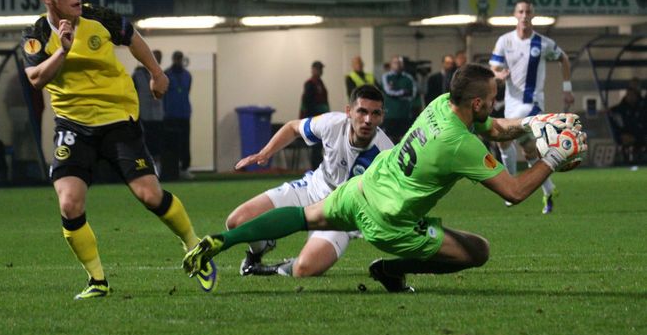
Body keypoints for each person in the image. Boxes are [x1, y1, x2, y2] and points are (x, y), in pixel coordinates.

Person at [182, 64, 586, 292]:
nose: (495, 104)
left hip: (361, 188)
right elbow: (514, 192)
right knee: (478, 251)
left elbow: (494, 126)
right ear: (477, 102)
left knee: (305, 217)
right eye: (493, 98)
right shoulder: (460, 144)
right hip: (390, 221)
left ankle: (221, 242)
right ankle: (391, 270)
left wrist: (531, 123)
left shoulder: (443, 104)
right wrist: (551, 158)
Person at [20, 0, 216, 299]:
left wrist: (155, 72)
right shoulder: (36, 36)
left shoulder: (99, 17)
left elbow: (132, 37)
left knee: (150, 195)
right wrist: (64, 50)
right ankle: (97, 281)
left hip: (117, 118)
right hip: (73, 125)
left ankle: (194, 246)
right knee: (69, 204)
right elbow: (36, 80)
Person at [227, 85, 393, 277]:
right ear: (349, 111)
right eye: (362, 112)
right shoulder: (331, 123)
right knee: (236, 222)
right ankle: (259, 250)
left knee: (304, 269)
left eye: (375, 114)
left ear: (382, 116)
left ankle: (278, 268)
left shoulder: (386, 154)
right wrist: (265, 153)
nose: (368, 120)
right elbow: (293, 127)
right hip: (312, 189)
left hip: (341, 212)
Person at [489, 0, 574, 214]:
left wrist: (567, 88)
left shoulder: (542, 43)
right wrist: (499, 74)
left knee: (502, 137)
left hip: (532, 105)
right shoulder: (505, 41)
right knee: (527, 151)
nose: (524, 15)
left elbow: (563, 58)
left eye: (528, 11)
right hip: (511, 104)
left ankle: (507, 190)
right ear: (515, 15)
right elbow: (493, 67)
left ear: (532, 15)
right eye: (521, 11)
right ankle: (549, 190)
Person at [133, 49, 164, 170]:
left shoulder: (162, 76)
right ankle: (144, 170)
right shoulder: (137, 75)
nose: (157, 61)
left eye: (159, 58)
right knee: (144, 145)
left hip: (158, 116)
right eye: (155, 58)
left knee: (157, 145)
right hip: (143, 115)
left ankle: (158, 171)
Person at [163, 50, 193, 175]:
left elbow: (187, 91)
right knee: (172, 144)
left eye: (180, 59)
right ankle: (173, 169)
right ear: (173, 59)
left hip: (184, 114)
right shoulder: (166, 74)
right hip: (170, 114)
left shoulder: (187, 75)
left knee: (185, 142)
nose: (178, 61)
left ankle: (185, 167)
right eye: (176, 59)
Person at [299, 60, 330, 169]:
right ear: (313, 70)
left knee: (320, 146)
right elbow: (308, 103)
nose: (321, 71)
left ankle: (319, 168)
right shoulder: (310, 84)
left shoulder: (320, 83)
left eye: (321, 69)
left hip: (321, 119)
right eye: (318, 69)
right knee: (316, 146)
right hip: (314, 120)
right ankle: (315, 169)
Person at [381, 55, 418, 143]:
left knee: (404, 140)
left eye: (400, 63)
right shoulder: (386, 77)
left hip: (404, 114)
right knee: (389, 140)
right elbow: (388, 91)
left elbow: (412, 94)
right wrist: (403, 92)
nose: (398, 65)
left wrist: (397, 92)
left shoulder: (408, 78)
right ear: (390, 65)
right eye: (395, 62)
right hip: (390, 115)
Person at [610, 84, 646, 164]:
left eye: (633, 94)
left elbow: (642, 126)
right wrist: (621, 136)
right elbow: (615, 126)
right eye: (629, 94)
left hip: (639, 138)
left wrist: (637, 137)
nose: (631, 96)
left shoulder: (642, 110)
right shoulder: (618, 110)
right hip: (623, 138)